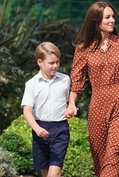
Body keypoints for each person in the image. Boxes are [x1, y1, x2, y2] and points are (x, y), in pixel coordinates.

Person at [65, 1, 119, 177]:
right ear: (96, 20)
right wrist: (71, 103)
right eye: (107, 17)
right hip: (97, 108)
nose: (112, 20)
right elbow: (77, 80)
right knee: (100, 160)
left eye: (113, 16)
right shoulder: (83, 49)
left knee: (114, 156)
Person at [21, 42, 71, 177]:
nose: (55, 66)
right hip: (40, 129)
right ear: (40, 62)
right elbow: (27, 111)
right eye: (51, 63)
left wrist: (71, 107)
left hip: (60, 129)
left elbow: (68, 101)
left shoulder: (65, 80)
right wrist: (37, 128)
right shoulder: (31, 84)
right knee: (46, 173)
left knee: (54, 172)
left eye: (57, 62)